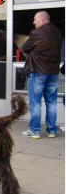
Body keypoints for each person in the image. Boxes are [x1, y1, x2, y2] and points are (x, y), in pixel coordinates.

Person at [22, 11, 62, 139]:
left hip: (38, 72)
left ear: (43, 20)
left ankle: (35, 130)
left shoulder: (37, 33)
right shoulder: (57, 32)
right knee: (51, 103)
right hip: (53, 73)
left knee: (35, 103)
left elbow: (25, 48)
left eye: (35, 19)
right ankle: (52, 130)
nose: (34, 22)